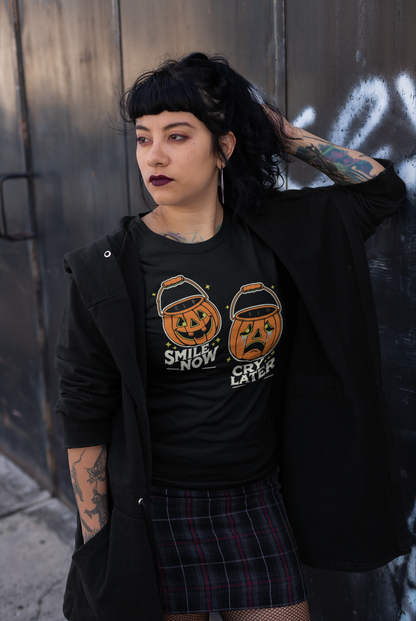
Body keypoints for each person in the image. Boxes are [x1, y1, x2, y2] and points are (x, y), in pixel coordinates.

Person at [55, 53, 410, 621]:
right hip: (158, 509)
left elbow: (380, 192)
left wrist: (280, 133)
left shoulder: (276, 233)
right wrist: (101, 546)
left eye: (177, 135)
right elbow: (84, 412)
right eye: (144, 139)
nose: (156, 156)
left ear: (223, 147)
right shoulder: (108, 270)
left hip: (257, 500)